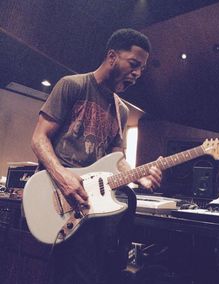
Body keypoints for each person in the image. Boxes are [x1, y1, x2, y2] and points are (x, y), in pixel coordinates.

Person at [31, 28, 162, 284]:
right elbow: (39, 138)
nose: (137, 74)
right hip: (55, 196)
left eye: (141, 69)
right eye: (133, 64)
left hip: (90, 208)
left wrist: (138, 176)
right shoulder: (73, 85)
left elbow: (116, 158)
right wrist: (63, 177)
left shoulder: (120, 110)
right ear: (112, 56)